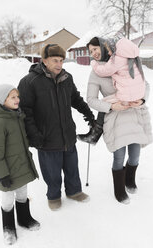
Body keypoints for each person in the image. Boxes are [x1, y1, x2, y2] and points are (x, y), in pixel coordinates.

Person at [17, 44, 95, 211]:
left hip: (67, 134)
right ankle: (53, 196)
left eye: (61, 60)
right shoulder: (29, 82)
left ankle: (74, 191)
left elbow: (75, 98)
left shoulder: (67, 78)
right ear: (44, 61)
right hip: (46, 137)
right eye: (55, 60)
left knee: (72, 166)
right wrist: (34, 134)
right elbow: (25, 112)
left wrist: (88, 113)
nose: (59, 64)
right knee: (51, 172)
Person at [80, 37, 153, 204]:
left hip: (134, 113)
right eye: (90, 51)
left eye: (96, 48)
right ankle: (119, 190)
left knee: (135, 154)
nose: (94, 53)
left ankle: (129, 180)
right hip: (115, 117)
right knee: (119, 156)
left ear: (104, 47)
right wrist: (112, 107)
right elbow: (91, 99)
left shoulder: (128, 61)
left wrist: (142, 100)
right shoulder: (97, 72)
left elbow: (145, 84)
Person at [0, 84, 40, 245]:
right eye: (12, 97)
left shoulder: (17, 117)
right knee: (8, 198)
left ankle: (24, 219)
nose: (17, 100)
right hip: (7, 171)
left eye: (18, 96)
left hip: (20, 166)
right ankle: (8, 227)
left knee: (23, 193)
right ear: (3, 100)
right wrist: (2, 174)